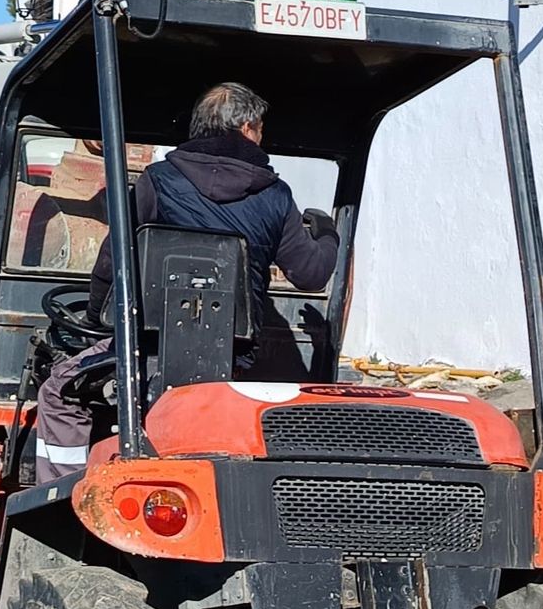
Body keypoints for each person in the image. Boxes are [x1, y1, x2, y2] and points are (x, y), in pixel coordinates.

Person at [34, 82, 340, 483]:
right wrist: (327, 233)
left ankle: (63, 493)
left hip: (146, 350)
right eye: (261, 129)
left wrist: (95, 320)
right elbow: (311, 274)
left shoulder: (157, 180)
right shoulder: (276, 196)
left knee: (58, 391)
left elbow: (111, 261)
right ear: (247, 128)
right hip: (233, 362)